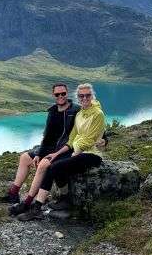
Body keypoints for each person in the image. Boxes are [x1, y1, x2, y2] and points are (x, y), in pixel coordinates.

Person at [15, 83, 106, 221]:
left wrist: (76, 151)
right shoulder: (80, 114)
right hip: (75, 151)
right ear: (78, 97)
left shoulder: (97, 114)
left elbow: (90, 138)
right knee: (55, 164)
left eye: (88, 95)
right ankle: (63, 199)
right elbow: (71, 138)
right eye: (81, 96)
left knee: (52, 167)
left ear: (92, 96)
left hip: (91, 154)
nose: (85, 98)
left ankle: (36, 208)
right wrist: (57, 154)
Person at [0, 82, 79, 204]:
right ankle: (13, 194)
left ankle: (29, 202)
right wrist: (38, 154)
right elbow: (47, 135)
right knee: (25, 157)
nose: (60, 96)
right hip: (50, 147)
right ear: (53, 95)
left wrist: (102, 138)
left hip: (64, 149)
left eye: (63, 93)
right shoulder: (52, 111)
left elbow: (86, 127)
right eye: (57, 94)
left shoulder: (76, 110)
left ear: (67, 93)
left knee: (43, 165)